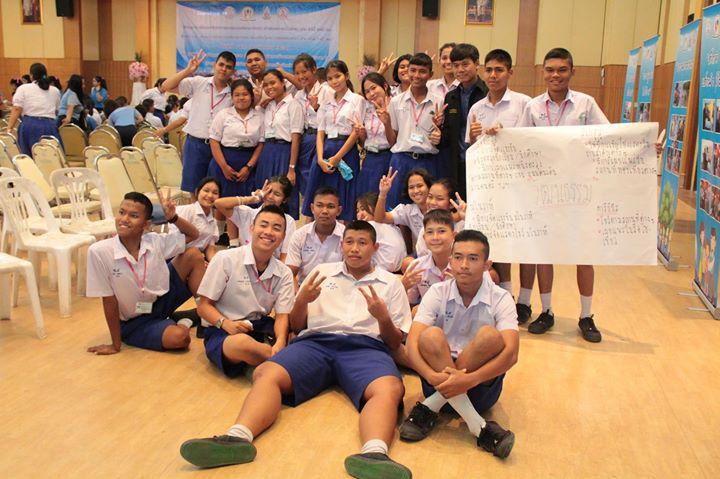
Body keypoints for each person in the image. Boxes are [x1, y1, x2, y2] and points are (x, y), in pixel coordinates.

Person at [180, 220, 413, 479]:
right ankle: (237, 437)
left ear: (375, 247)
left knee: (390, 389)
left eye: (362, 243)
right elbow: (298, 325)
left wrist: (382, 318)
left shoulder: (390, 283)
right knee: (267, 372)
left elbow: (394, 342)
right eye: (349, 242)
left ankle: (375, 454)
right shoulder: (321, 273)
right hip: (315, 343)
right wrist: (301, 301)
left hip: (366, 347)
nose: (354, 249)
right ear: (341, 245)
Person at [400, 230, 518, 459]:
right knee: (430, 335)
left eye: (473, 258)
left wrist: (471, 379)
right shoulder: (437, 292)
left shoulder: (501, 298)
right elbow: (412, 344)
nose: (464, 265)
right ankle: (479, 426)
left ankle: (429, 408)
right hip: (436, 380)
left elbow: (511, 354)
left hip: (480, 388)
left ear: (487, 265)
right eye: (458, 257)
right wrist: (430, 375)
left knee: (490, 336)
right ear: (450, 260)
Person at [518, 47, 609, 343]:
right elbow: (518, 142)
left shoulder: (586, 104)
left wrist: (643, 144)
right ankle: (547, 311)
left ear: (572, 71)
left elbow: (608, 136)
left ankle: (586, 315)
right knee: (545, 253)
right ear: (543, 72)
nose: (555, 75)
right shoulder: (532, 107)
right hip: (543, 190)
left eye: (561, 69)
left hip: (579, 190)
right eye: (550, 70)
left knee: (584, 254)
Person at [86, 191, 207, 354]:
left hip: (158, 302)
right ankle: (184, 321)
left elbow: (193, 234)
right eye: (121, 212)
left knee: (193, 254)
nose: (124, 219)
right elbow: (109, 301)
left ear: (146, 224)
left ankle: (205, 317)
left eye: (133, 216)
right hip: (134, 321)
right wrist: (115, 344)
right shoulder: (99, 251)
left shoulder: (154, 240)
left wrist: (173, 218)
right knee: (181, 338)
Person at [466, 48, 533, 316]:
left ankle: (525, 301)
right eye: (489, 70)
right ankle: (506, 295)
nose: (493, 75)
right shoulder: (476, 108)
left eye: (499, 70)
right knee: (500, 240)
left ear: (510, 72)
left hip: (521, 181)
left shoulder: (524, 103)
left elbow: (534, 141)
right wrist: (473, 137)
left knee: (526, 242)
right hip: (490, 184)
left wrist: (508, 134)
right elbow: (470, 148)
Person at [197, 205, 295, 379]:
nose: (268, 232)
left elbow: (281, 316)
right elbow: (203, 306)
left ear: (283, 236)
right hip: (223, 328)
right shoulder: (225, 259)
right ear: (251, 228)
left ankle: (267, 359)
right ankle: (281, 361)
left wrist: (280, 341)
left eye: (276, 228)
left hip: (260, 327)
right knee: (242, 345)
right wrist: (226, 323)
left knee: (294, 336)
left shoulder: (284, 272)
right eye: (263, 225)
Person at [161, 50, 236, 194]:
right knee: (193, 188)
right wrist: (188, 71)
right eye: (221, 65)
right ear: (214, 65)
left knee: (216, 189)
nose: (224, 69)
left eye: (228, 67)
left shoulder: (233, 92)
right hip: (195, 144)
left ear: (233, 71)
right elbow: (166, 86)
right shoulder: (199, 82)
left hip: (219, 148)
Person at [302, 60, 364, 222]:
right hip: (325, 150)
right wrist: (320, 158)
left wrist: (338, 157)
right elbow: (320, 131)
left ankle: (346, 235)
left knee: (345, 199)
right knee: (316, 196)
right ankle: (309, 234)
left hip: (346, 151)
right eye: (330, 78)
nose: (334, 81)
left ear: (346, 76)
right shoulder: (326, 101)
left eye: (338, 76)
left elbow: (355, 132)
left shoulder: (357, 100)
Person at [386, 53, 444, 208]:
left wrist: (439, 135)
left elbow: (441, 136)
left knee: (428, 208)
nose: (416, 75)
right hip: (401, 160)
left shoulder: (439, 102)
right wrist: (386, 124)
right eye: (413, 70)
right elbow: (392, 140)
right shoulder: (396, 102)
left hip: (427, 161)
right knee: (397, 207)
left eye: (422, 71)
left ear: (431, 74)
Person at [439, 43, 488, 198]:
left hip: (483, 163)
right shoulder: (451, 96)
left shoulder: (487, 93)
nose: (460, 70)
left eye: (465, 64)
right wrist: (437, 131)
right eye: (456, 65)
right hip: (457, 164)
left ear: (477, 63)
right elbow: (448, 136)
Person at [254, 69, 303, 219]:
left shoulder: (293, 104)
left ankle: (285, 226)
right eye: (266, 85)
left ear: (283, 83)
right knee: (265, 191)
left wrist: (292, 168)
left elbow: (296, 137)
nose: (269, 87)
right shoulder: (268, 105)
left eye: (273, 83)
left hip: (284, 152)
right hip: (267, 152)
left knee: (282, 192)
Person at [215, 177, 296, 260]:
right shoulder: (248, 213)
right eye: (268, 191)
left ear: (285, 200)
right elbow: (219, 203)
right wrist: (253, 199)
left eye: (277, 194)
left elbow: (285, 256)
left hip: (273, 265)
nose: (270, 196)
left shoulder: (288, 221)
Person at [293, 53, 334, 214]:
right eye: (297, 73)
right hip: (305, 140)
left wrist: (317, 108)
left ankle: (319, 215)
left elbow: (331, 119)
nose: (301, 76)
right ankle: (309, 217)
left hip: (321, 139)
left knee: (317, 182)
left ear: (314, 70)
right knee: (304, 183)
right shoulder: (298, 95)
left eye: (304, 71)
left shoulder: (326, 90)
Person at [208, 79, 263, 198]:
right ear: (232, 97)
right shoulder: (223, 114)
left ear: (251, 96)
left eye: (245, 94)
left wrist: (248, 167)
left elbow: (261, 143)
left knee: (247, 200)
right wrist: (224, 167)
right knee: (221, 199)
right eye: (237, 95)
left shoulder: (259, 116)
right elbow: (214, 141)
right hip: (224, 161)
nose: (241, 98)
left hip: (249, 162)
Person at [285, 187, 345, 285]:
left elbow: (351, 272)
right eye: (319, 205)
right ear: (312, 208)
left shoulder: (346, 236)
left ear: (339, 210)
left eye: (330, 206)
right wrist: (298, 293)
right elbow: (290, 274)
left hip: (336, 289)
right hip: (303, 287)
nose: (324, 211)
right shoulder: (300, 235)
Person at [403, 209, 455, 307]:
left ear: (454, 235)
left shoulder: (464, 266)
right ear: (424, 238)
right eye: (430, 232)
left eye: (441, 231)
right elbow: (411, 303)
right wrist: (404, 287)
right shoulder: (417, 267)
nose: (435, 237)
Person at [6, 63, 61, 155]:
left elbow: (16, 109)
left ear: (31, 76)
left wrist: (9, 128)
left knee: (28, 156)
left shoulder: (23, 88)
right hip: (49, 125)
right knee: (51, 156)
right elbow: (56, 110)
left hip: (29, 125)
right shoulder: (55, 90)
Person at [355, 73, 396, 198]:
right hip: (370, 158)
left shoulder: (395, 105)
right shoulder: (367, 109)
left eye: (374, 88)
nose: (371, 93)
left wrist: (387, 123)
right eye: (367, 91)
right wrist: (361, 134)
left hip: (388, 157)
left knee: (383, 199)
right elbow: (363, 142)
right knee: (365, 198)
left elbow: (394, 142)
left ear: (384, 86)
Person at [374, 167, 433, 248]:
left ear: (429, 187)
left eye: (420, 186)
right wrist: (383, 193)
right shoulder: (407, 210)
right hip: (422, 254)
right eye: (411, 187)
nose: (416, 191)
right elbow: (380, 218)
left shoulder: (438, 207)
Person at [172, 177, 221, 262]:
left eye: (215, 193)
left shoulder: (213, 222)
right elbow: (174, 242)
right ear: (197, 192)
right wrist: (198, 261)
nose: (210, 195)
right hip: (177, 259)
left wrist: (214, 263)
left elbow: (210, 248)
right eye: (206, 191)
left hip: (198, 260)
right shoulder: (186, 210)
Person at [356, 192, 406, 273]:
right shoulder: (395, 226)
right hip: (398, 271)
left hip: (382, 273)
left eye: (363, 209)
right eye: (357, 211)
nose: (359, 214)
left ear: (376, 207)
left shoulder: (371, 225)